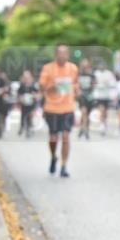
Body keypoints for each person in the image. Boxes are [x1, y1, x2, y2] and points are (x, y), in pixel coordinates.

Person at [38, 45, 80, 177]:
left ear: (68, 54)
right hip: (52, 108)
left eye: (65, 53)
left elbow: (75, 84)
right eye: (60, 53)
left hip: (68, 107)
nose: (62, 55)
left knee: (66, 137)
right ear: (55, 54)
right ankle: (53, 157)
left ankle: (63, 166)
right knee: (53, 138)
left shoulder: (73, 68)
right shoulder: (48, 68)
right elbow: (41, 87)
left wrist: (77, 90)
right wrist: (53, 87)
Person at [93, 62, 117, 136]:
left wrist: (113, 94)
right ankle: (102, 124)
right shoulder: (96, 73)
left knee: (105, 111)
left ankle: (104, 122)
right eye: (100, 66)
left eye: (103, 66)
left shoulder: (109, 74)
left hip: (106, 95)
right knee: (101, 109)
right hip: (99, 96)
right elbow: (93, 83)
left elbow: (113, 83)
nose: (101, 67)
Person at [77, 58, 95, 139]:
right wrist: (78, 91)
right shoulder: (79, 74)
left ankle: (84, 128)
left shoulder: (91, 74)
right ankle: (84, 129)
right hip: (82, 96)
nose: (84, 65)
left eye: (86, 63)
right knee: (84, 112)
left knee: (87, 114)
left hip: (89, 96)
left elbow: (94, 84)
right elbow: (75, 83)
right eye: (83, 63)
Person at [17, 70, 38, 138]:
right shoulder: (22, 85)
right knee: (23, 116)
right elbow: (19, 93)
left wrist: (34, 95)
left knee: (29, 116)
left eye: (27, 77)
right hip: (24, 104)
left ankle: (28, 130)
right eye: (25, 77)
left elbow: (37, 94)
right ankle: (22, 127)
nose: (26, 79)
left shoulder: (33, 85)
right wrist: (20, 98)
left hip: (32, 104)